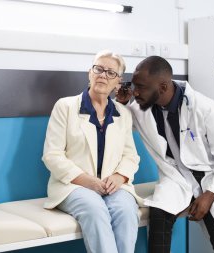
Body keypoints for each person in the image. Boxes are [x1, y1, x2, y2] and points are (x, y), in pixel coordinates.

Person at [116, 56, 214, 253]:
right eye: (134, 85)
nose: (135, 92)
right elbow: (121, 127)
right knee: (159, 215)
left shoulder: (206, 108)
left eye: (141, 87)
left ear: (163, 87)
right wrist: (122, 104)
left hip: (210, 179)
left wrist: (209, 194)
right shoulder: (140, 109)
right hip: (175, 178)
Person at [42, 50, 142, 253]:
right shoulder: (66, 106)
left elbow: (131, 155)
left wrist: (120, 176)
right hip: (73, 186)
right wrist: (87, 181)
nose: (103, 75)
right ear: (90, 72)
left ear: (118, 82)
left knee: (126, 210)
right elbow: (52, 155)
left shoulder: (122, 113)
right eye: (99, 69)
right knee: (95, 209)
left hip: (112, 185)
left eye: (111, 73)